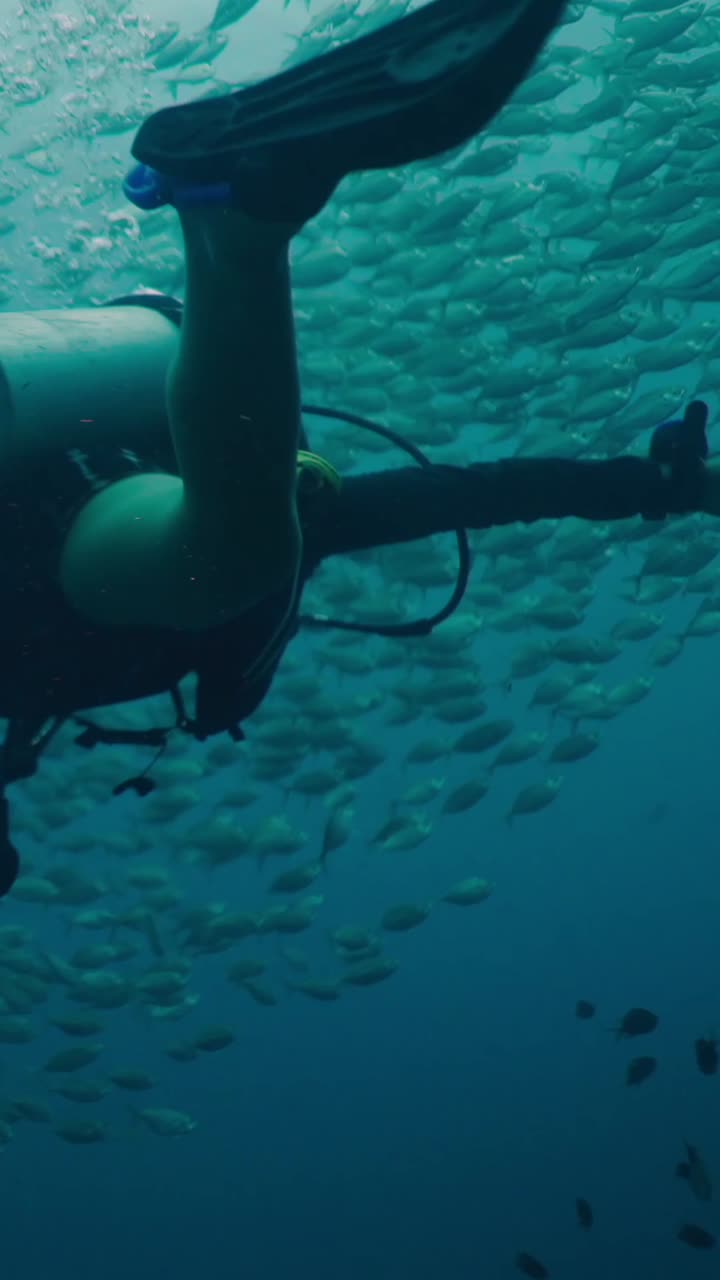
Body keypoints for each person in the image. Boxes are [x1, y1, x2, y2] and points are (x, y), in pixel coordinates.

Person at [0, 0, 718, 898]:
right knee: (237, 557)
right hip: (94, 484)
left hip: (68, 532)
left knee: (232, 561)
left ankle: (234, 217)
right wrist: (653, 486)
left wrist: (652, 485)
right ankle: (217, 209)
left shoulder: (270, 544)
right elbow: (474, 492)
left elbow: (471, 492)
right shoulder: (302, 531)